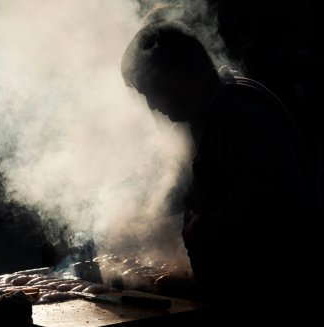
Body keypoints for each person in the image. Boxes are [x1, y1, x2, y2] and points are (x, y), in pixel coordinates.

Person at [121, 19, 320, 322]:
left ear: (172, 74)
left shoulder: (237, 111)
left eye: (148, 90)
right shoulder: (214, 112)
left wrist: (207, 229)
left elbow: (275, 197)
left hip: (272, 300)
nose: (151, 106)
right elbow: (200, 183)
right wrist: (143, 215)